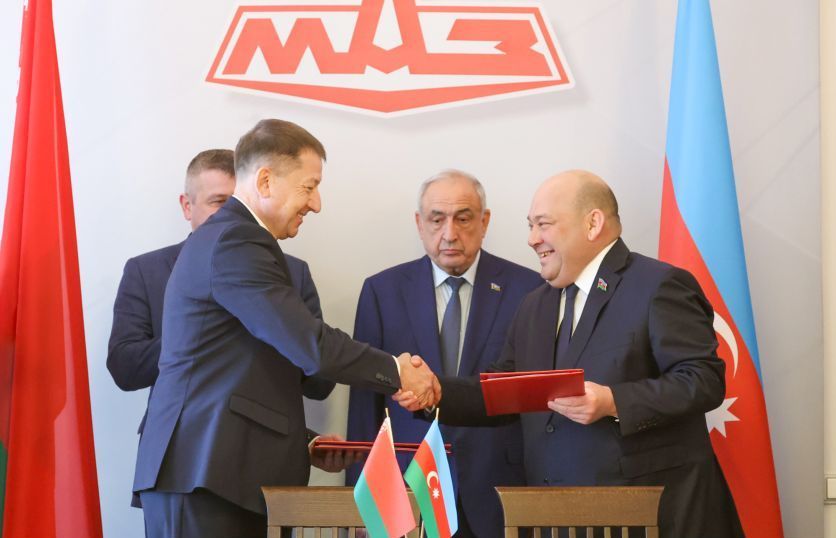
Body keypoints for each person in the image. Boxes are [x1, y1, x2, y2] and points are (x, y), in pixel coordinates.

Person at [132, 120, 439, 538]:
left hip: (220, 475)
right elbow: (310, 344)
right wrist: (398, 372)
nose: (316, 204)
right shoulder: (236, 241)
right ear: (265, 181)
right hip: (204, 476)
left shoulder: (237, 240)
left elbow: (242, 370)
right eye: (309, 187)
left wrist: (303, 441)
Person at [399, 170, 744, 538]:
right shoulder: (535, 305)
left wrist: (613, 401)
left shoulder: (659, 285)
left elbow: (703, 380)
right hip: (554, 519)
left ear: (593, 223)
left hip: (653, 519)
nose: (532, 239)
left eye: (543, 224)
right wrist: (436, 392)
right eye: (530, 226)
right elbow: (503, 392)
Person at [345, 170, 542, 537]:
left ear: (484, 222)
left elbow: (532, 396)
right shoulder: (382, 291)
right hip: (408, 489)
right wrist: (359, 508)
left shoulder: (529, 289)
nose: (450, 233)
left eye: (463, 218)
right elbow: (364, 407)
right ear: (419, 224)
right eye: (437, 219)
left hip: (499, 487)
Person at [107, 149, 331, 398]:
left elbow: (320, 385)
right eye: (219, 202)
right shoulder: (146, 271)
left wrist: (283, 331)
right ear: (187, 207)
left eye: (240, 203)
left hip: (269, 422)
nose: (231, 213)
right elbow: (124, 369)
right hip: (180, 422)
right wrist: (206, 330)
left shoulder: (295, 273)